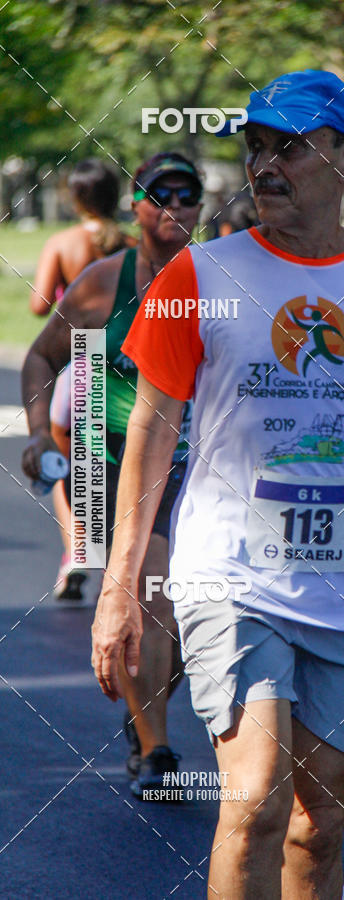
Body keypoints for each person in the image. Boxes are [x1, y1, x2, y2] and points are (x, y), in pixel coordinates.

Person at [90, 70, 344, 896]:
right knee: (257, 799)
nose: (267, 164)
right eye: (258, 146)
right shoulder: (196, 276)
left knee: (319, 821)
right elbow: (151, 434)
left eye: (291, 147)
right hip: (230, 576)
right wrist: (120, 585)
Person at [22, 152, 204, 797]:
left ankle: (144, 707)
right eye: (161, 195)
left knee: (187, 615)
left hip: (196, 460)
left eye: (188, 196)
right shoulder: (106, 281)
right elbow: (43, 356)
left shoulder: (221, 283)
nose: (175, 208)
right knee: (146, 595)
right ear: (137, 204)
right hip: (112, 452)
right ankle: (155, 746)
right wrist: (43, 431)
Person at [30, 159, 134, 602]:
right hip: (122, 369)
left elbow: (39, 306)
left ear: (75, 199)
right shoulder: (131, 245)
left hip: (78, 364)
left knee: (66, 466)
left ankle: (76, 552)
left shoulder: (63, 242)